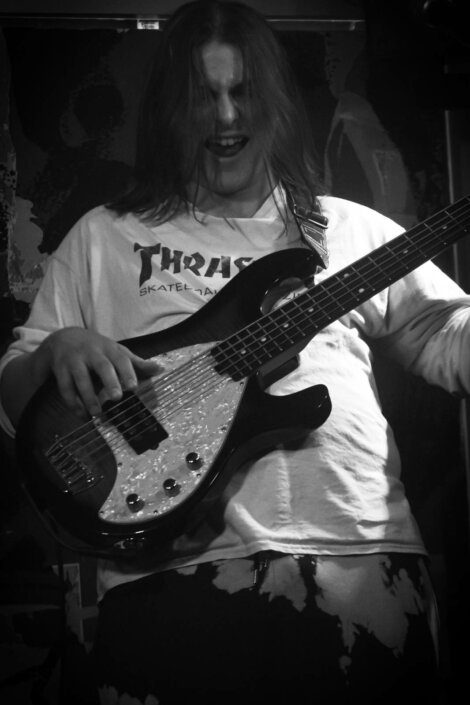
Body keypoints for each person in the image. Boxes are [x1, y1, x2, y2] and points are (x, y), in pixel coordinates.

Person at [1, 1, 469, 703]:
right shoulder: (105, 237)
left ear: (273, 102)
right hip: (173, 582)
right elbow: (16, 392)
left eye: (242, 92)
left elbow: (446, 333)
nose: (225, 118)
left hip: (363, 561)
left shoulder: (344, 229)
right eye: (203, 96)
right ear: (170, 111)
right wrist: (57, 352)